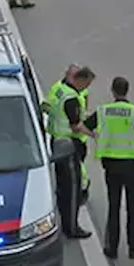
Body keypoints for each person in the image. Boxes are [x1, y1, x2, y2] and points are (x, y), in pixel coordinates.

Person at [86, 77, 134, 260]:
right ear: (127, 90)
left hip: (112, 166)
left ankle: (112, 247)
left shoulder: (103, 111)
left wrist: (96, 136)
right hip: (132, 166)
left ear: (113, 91)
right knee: (133, 207)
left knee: (113, 206)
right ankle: (133, 247)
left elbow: (84, 126)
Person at [50, 66, 95, 239]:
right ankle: (72, 227)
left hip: (58, 141)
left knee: (63, 187)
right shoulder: (71, 98)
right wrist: (92, 133)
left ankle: (65, 221)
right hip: (68, 145)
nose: (86, 88)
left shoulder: (61, 89)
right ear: (80, 80)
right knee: (72, 189)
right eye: (87, 84)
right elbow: (75, 125)